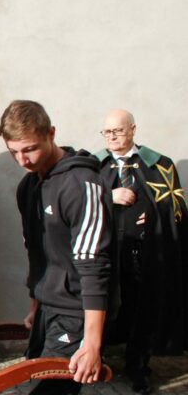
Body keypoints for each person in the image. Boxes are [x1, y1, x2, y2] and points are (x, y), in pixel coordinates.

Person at [0, 100, 112, 394]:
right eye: (15, 152)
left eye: (30, 149)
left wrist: (92, 344)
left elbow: (94, 265)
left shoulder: (81, 184)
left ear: (51, 133)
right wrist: (35, 306)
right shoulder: (28, 187)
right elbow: (36, 254)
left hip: (76, 313)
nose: (23, 160)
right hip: (46, 311)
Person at [94, 109, 187, 393]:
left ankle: (137, 365)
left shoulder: (159, 165)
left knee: (139, 309)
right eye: (106, 132)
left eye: (118, 131)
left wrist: (153, 213)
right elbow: (79, 203)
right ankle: (96, 360)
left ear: (132, 129)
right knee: (101, 306)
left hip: (142, 255)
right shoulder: (94, 165)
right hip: (104, 253)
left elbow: (176, 208)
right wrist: (109, 196)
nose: (111, 137)